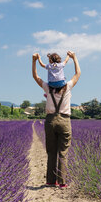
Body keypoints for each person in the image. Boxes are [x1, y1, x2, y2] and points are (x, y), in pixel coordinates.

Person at [32, 51, 81, 188]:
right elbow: (78, 74)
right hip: (65, 121)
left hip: (50, 121)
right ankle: (62, 182)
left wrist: (35, 61)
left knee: (51, 151)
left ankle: (51, 181)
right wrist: (74, 57)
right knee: (63, 152)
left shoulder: (47, 87)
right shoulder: (68, 86)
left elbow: (35, 76)